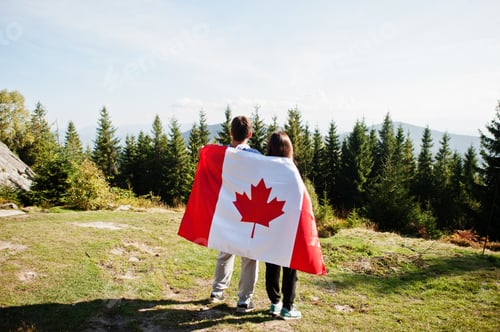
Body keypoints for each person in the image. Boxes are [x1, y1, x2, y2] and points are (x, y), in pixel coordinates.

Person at [209, 115, 260, 313]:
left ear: (231, 133)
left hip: (229, 211)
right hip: (250, 211)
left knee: (225, 250)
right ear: (250, 134)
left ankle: (217, 291)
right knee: (249, 256)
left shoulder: (225, 155)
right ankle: (244, 300)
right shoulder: (257, 156)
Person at [265, 131, 302, 320]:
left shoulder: (264, 166)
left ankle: (274, 303)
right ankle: (287, 307)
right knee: (290, 265)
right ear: (288, 149)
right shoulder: (290, 168)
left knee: (271, 262)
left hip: (269, 222)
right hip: (288, 224)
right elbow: (300, 196)